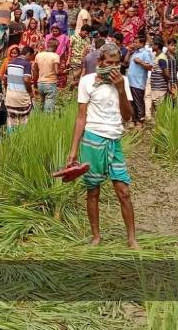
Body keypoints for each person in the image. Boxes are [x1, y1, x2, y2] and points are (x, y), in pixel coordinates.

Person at [67, 43, 138, 248]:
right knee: (93, 191)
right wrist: (73, 151)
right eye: (109, 63)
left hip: (114, 140)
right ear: (100, 62)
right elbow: (81, 118)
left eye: (117, 64)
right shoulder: (87, 82)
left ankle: (132, 238)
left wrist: (121, 90)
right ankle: (96, 237)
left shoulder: (122, 82)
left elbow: (127, 116)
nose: (113, 67)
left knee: (123, 191)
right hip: (92, 140)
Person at [4, 46, 35, 128]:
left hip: (10, 97)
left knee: (11, 121)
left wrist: (8, 90)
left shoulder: (10, 63)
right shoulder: (26, 64)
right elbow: (26, 80)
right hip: (21, 97)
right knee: (23, 120)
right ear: (28, 54)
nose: (31, 59)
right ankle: (21, 139)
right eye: (32, 56)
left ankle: (11, 140)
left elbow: (4, 79)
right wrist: (31, 92)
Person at [126, 37, 153, 126]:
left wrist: (140, 62)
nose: (134, 44)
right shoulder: (134, 53)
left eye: (136, 42)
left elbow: (150, 67)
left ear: (142, 43)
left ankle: (140, 121)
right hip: (130, 81)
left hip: (138, 82)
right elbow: (126, 62)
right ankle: (134, 119)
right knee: (132, 102)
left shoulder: (145, 53)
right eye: (134, 42)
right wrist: (129, 52)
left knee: (138, 102)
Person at [33, 38, 62, 113]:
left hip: (40, 83)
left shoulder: (39, 55)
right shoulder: (55, 56)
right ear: (56, 46)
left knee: (41, 104)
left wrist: (35, 83)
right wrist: (64, 72)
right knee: (48, 108)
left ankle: (39, 121)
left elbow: (35, 70)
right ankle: (47, 121)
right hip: (50, 83)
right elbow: (56, 72)